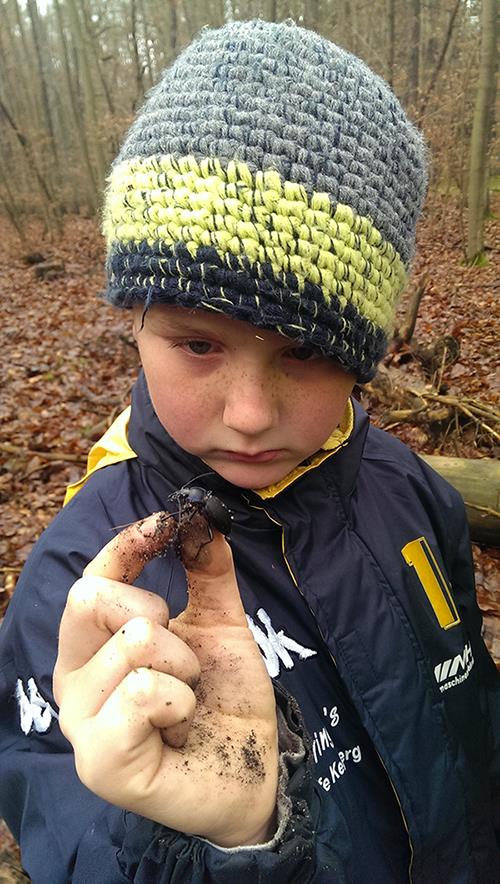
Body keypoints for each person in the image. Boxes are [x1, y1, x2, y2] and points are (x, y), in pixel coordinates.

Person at [0, 18, 498, 884]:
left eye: (305, 352)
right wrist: (223, 842)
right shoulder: (86, 591)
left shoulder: (408, 489)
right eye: (198, 345)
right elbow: (61, 824)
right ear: (139, 325)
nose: (249, 412)